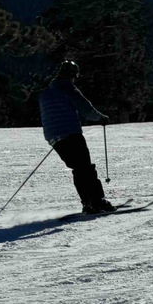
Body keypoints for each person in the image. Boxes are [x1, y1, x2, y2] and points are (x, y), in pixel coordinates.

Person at [38, 60, 114, 213]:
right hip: (70, 134)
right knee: (85, 168)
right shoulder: (68, 89)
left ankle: (87, 203)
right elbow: (86, 109)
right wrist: (101, 118)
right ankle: (98, 201)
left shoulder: (46, 93)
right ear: (72, 75)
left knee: (78, 169)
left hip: (53, 137)